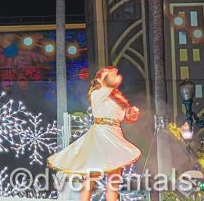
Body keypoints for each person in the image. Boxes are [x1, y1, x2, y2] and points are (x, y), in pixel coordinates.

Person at [47, 66, 141, 201]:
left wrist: (131, 113)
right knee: (93, 174)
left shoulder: (117, 98)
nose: (111, 76)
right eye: (106, 75)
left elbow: (125, 117)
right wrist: (112, 76)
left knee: (115, 176)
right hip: (101, 135)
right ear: (99, 79)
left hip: (116, 135)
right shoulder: (97, 94)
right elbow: (109, 84)